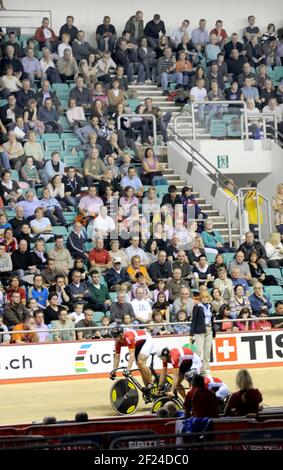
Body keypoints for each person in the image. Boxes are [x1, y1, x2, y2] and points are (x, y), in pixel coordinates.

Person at [110, 327, 156, 402]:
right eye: (113, 337)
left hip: (147, 340)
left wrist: (128, 369)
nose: (115, 339)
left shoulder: (129, 338)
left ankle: (151, 383)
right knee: (141, 368)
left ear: (121, 334)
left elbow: (131, 354)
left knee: (140, 362)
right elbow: (117, 358)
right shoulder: (117, 342)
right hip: (138, 344)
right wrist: (114, 372)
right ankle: (148, 391)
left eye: (116, 336)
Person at [190, 291, 214, 375]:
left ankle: (205, 368)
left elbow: (212, 319)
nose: (205, 299)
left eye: (206, 297)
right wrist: (191, 334)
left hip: (209, 329)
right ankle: (196, 367)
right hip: (199, 330)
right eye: (203, 297)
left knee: (207, 351)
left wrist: (213, 332)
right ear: (201, 298)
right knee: (199, 350)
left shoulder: (210, 306)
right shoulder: (197, 307)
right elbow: (194, 320)